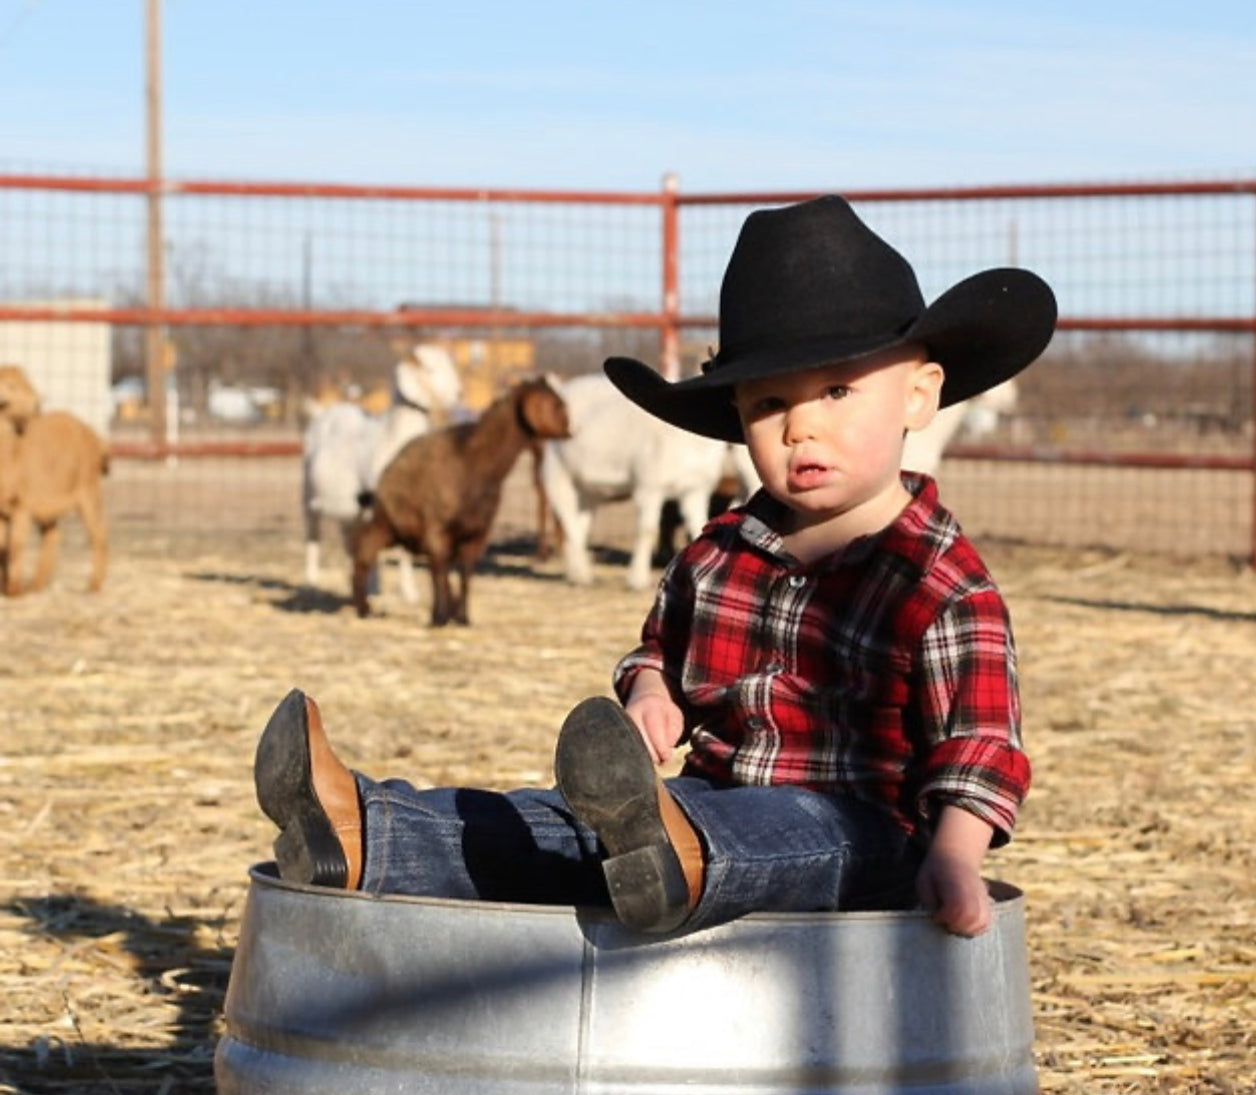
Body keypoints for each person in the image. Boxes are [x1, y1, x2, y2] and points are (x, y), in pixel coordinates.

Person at [254, 194, 1057, 938]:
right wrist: (650, 695)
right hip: (690, 805)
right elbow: (657, 653)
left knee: (790, 831)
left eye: (838, 391)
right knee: (561, 825)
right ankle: (367, 829)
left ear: (919, 396)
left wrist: (955, 858)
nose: (801, 429)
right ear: (738, 420)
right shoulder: (715, 556)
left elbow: (979, 745)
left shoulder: (942, 583)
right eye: (770, 405)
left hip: (863, 832)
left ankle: (670, 852)